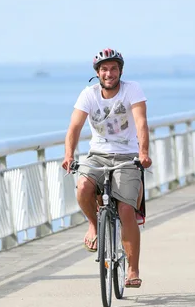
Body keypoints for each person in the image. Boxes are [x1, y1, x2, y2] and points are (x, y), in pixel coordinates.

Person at [62, 48, 152, 288]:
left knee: (125, 210)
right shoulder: (88, 94)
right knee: (83, 188)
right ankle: (93, 224)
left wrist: (143, 152)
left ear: (120, 71)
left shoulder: (132, 89)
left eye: (113, 69)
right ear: (98, 73)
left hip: (127, 156)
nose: (109, 73)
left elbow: (142, 123)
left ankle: (132, 270)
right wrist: (69, 155)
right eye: (104, 69)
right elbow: (74, 127)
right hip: (97, 156)